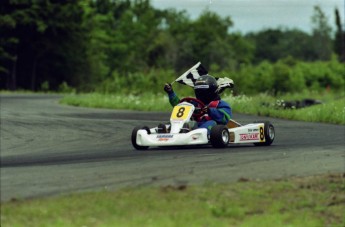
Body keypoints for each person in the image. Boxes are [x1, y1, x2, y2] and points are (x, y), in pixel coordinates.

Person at [160, 74, 232, 134]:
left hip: (213, 128)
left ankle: (194, 133)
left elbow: (225, 118)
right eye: (198, 91)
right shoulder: (195, 103)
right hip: (195, 125)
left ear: (211, 91)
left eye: (202, 92)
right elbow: (179, 106)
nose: (200, 94)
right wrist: (171, 93)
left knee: (211, 123)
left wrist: (210, 111)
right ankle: (168, 131)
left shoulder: (221, 104)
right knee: (177, 121)